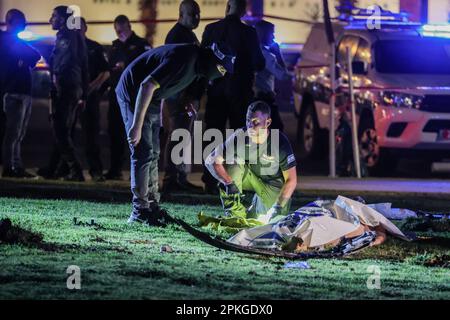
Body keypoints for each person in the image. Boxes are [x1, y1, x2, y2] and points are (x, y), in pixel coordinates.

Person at [115, 42, 235, 226]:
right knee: (143, 152)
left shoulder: (196, 66)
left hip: (151, 98)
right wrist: (136, 126)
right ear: (213, 62)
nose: (221, 74)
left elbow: (166, 85)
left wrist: (184, 103)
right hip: (133, 93)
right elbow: (147, 85)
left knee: (153, 153)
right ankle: (139, 210)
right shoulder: (186, 60)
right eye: (221, 69)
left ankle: (151, 206)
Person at [201, 0, 265, 192]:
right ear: (243, 11)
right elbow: (259, 63)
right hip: (240, 92)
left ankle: (210, 180)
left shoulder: (211, 29)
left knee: (213, 134)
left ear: (227, 7)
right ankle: (236, 177)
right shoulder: (249, 33)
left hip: (216, 91)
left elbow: (203, 60)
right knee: (238, 137)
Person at [205, 101, 297, 219]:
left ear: (267, 122)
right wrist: (228, 182)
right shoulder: (240, 136)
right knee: (232, 161)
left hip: (273, 186)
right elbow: (211, 160)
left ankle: (254, 210)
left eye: (255, 122)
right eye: (248, 120)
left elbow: (292, 180)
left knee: (270, 219)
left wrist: (278, 207)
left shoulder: (280, 142)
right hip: (250, 177)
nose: (250, 126)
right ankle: (235, 215)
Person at [38, 6, 89, 182]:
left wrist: (56, 81)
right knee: (63, 130)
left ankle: (75, 170)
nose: (50, 19)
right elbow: (83, 66)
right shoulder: (74, 36)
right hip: (72, 88)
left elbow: (65, 64)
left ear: (62, 19)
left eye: (54, 16)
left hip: (66, 89)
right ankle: (59, 168)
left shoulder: (66, 37)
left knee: (60, 131)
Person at [161, 0, 204, 193]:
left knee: (183, 136)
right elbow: (178, 70)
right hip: (181, 96)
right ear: (181, 14)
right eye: (192, 14)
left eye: (197, 14)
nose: (196, 18)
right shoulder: (178, 36)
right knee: (178, 135)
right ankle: (172, 179)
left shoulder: (187, 34)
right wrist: (185, 96)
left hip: (185, 95)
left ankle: (179, 177)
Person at [106, 15, 151, 181]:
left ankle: (138, 172)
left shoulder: (141, 45)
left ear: (129, 26)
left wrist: (127, 65)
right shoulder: (115, 46)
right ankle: (115, 169)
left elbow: (147, 67)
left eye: (121, 29)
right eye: (116, 30)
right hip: (116, 96)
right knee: (115, 133)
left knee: (135, 134)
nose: (119, 33)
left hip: (134, 97)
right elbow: (109, 69)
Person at [1, 10, 41, 178]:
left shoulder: (13, 40)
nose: (24, 26)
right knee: (13, 133)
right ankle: (10, 167)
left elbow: (34, 56)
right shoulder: (6, 40)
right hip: (14, 92)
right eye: (21, 23)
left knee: (18, 133)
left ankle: (16, 166)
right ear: (12, 22)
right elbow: (33, 55)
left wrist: (22, 60)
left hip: (21, 92)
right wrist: (22, 60)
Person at [79, 17, 110, 181]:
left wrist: (90, 88)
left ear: (85, 27)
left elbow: (105, 72)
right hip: (72, 97)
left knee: (91, 135)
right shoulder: (70, 47)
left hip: (90, 98)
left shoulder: (94, 47)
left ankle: (95, 170)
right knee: (64, 136)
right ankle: (64, 169)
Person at [254, 20, 291, 132]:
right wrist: (278, 54)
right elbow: (284, 76)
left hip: (251, 98)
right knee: (276, 130)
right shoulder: (266, 55)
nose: (273, 37)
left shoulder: (251, 51)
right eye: (272, 33)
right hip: (264, 99)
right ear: (264, 34)